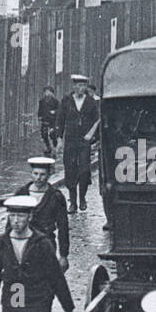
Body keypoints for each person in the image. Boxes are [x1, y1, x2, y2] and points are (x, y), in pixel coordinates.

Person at [16, 155, 70, 270]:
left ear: (49, 175)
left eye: (42, 175)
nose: (38, 178)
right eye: (35, 174)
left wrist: (63, 255)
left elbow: (63, 226)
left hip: (46, 244)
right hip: (23, 244)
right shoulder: (21, 193)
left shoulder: (56, 197)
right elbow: (11, 224)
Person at [57, 73, 100, 212]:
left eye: (83, 85)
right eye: (79, 85)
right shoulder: (66, 101)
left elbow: (97, 120)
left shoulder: (91, 102)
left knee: (84, 171)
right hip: (70, 140)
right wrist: (59, 139)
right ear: (74, 86)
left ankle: (82, 198)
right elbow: (60, 120)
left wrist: (94, 138)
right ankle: (73, 202)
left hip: (84, 141)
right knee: (70, 170)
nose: (81, 88)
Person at [37, 85, 61, 157]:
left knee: (53, 134)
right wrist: (39, 116)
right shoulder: (42, 101)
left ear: (51, 93)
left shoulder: (55, 101)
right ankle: (48, 147)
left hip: (52, 120)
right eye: (45, 92)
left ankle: (54, 146)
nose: (47, 93)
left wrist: (55, 112)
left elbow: (59, 110)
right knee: (44, 134)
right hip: (45, 119)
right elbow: (40, 110)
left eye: (48, 92)